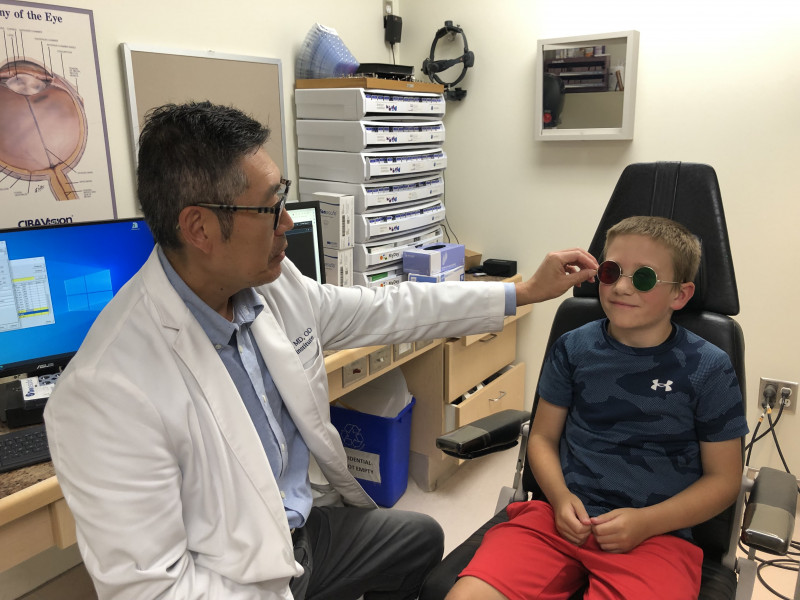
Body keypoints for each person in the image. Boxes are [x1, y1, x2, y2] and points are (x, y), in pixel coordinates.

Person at [43, 101, 598, 600]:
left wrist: (521, 292)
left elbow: (389, 308)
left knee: (419, 538)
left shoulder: (271, 284)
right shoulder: (105, 391)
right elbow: (155, 589)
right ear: (200, 228)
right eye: (271, 208)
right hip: (234, 578)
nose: (288, 223)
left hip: (301, 534)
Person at [446, 216, 749, 600]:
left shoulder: (708, 367)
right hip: (558, 519)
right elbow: (542, 437)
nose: (621, 286)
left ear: (680, 295)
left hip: (656, 536)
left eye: (644, 278)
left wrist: (645, 523)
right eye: (611, 271)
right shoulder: (574, 348)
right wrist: (559, 498)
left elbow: (724, 480)